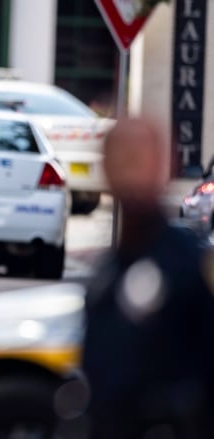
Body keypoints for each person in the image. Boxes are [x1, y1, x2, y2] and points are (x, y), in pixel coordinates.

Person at [80, 117, 214, 437]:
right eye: (121, 159)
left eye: (141, 159)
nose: (131, 173)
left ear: (164, 168)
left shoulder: (189, 267)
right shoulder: (106, 276)